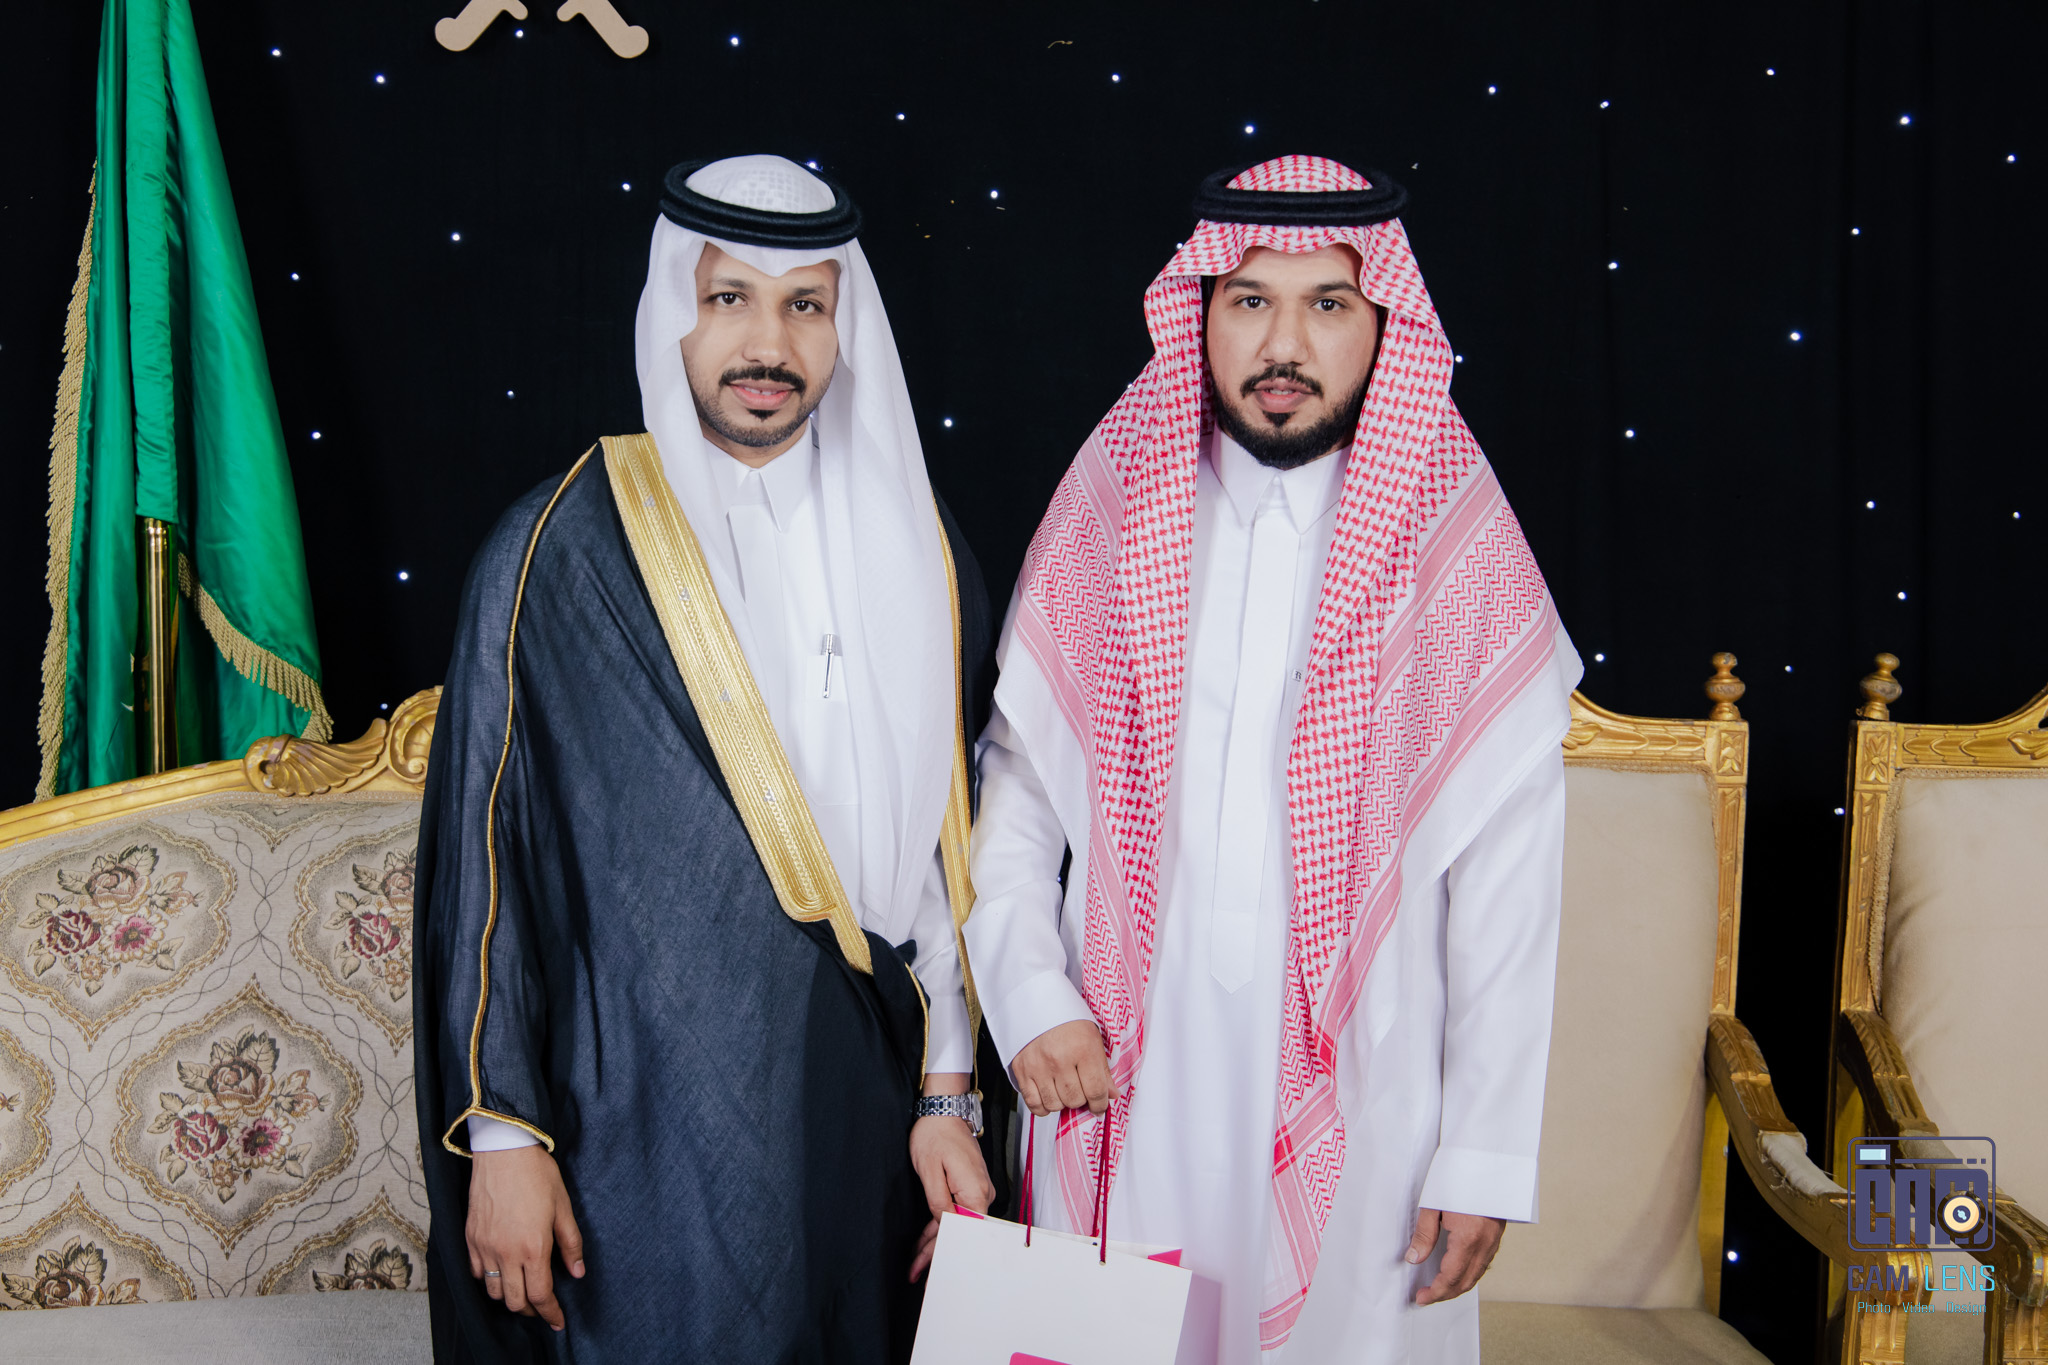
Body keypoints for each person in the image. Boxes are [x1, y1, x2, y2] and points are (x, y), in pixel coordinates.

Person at [962, 155, 1580, 1363]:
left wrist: (1482, 1152)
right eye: (1248, 300)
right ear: (1198, 312)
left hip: (1370, 1099)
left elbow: (1509, 884)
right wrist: (1030, 994)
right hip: (1117, 1075)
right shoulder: (1110, 508)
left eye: (1326, 304)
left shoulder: (1455, 544)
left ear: (1383, 324)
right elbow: (1021, 789)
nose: (1282, 344)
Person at [415, 154, 996, 1364]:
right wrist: (505, 1137)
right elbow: (487, 858)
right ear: (672, 310)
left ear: (843, 326)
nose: (766, 344)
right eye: (728, 298)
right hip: (634, 1122)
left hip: (865, 1108)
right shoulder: (560, 546)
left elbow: (954, 854)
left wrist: (949, 1095)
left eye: (804, 305)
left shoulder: (922, 548)